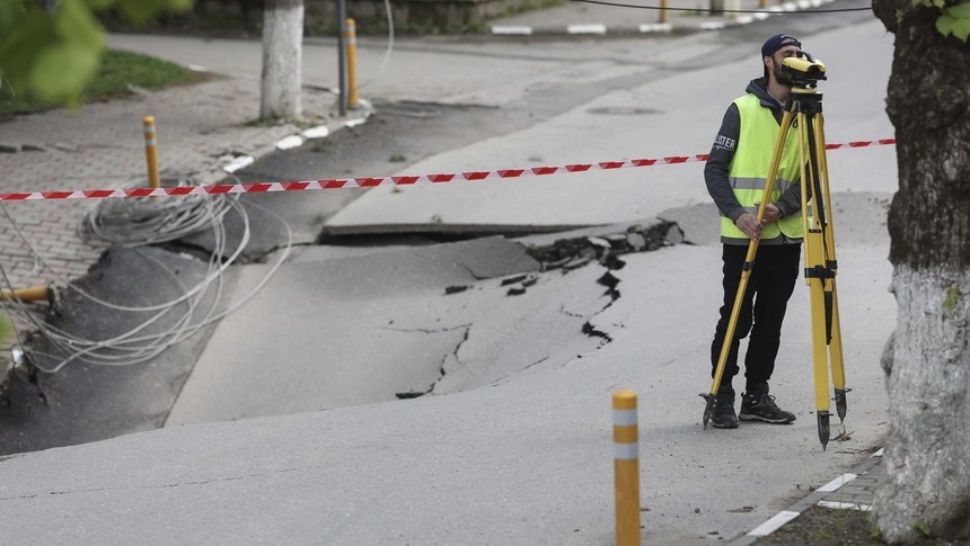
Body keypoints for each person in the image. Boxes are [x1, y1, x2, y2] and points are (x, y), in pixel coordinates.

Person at [703, 34, 806, 429]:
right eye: (787, 55)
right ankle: (722, 394)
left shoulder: (806, 113)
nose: (794, 60)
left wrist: (783, 207)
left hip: (786, 235)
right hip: (744, 234)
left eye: (798, 54)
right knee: (736, 318)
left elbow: (812, 175)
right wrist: (737, 213)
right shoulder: (741, 110)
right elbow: (714, 169)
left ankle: (756, 395)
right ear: (768, 61)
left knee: (771, 320)